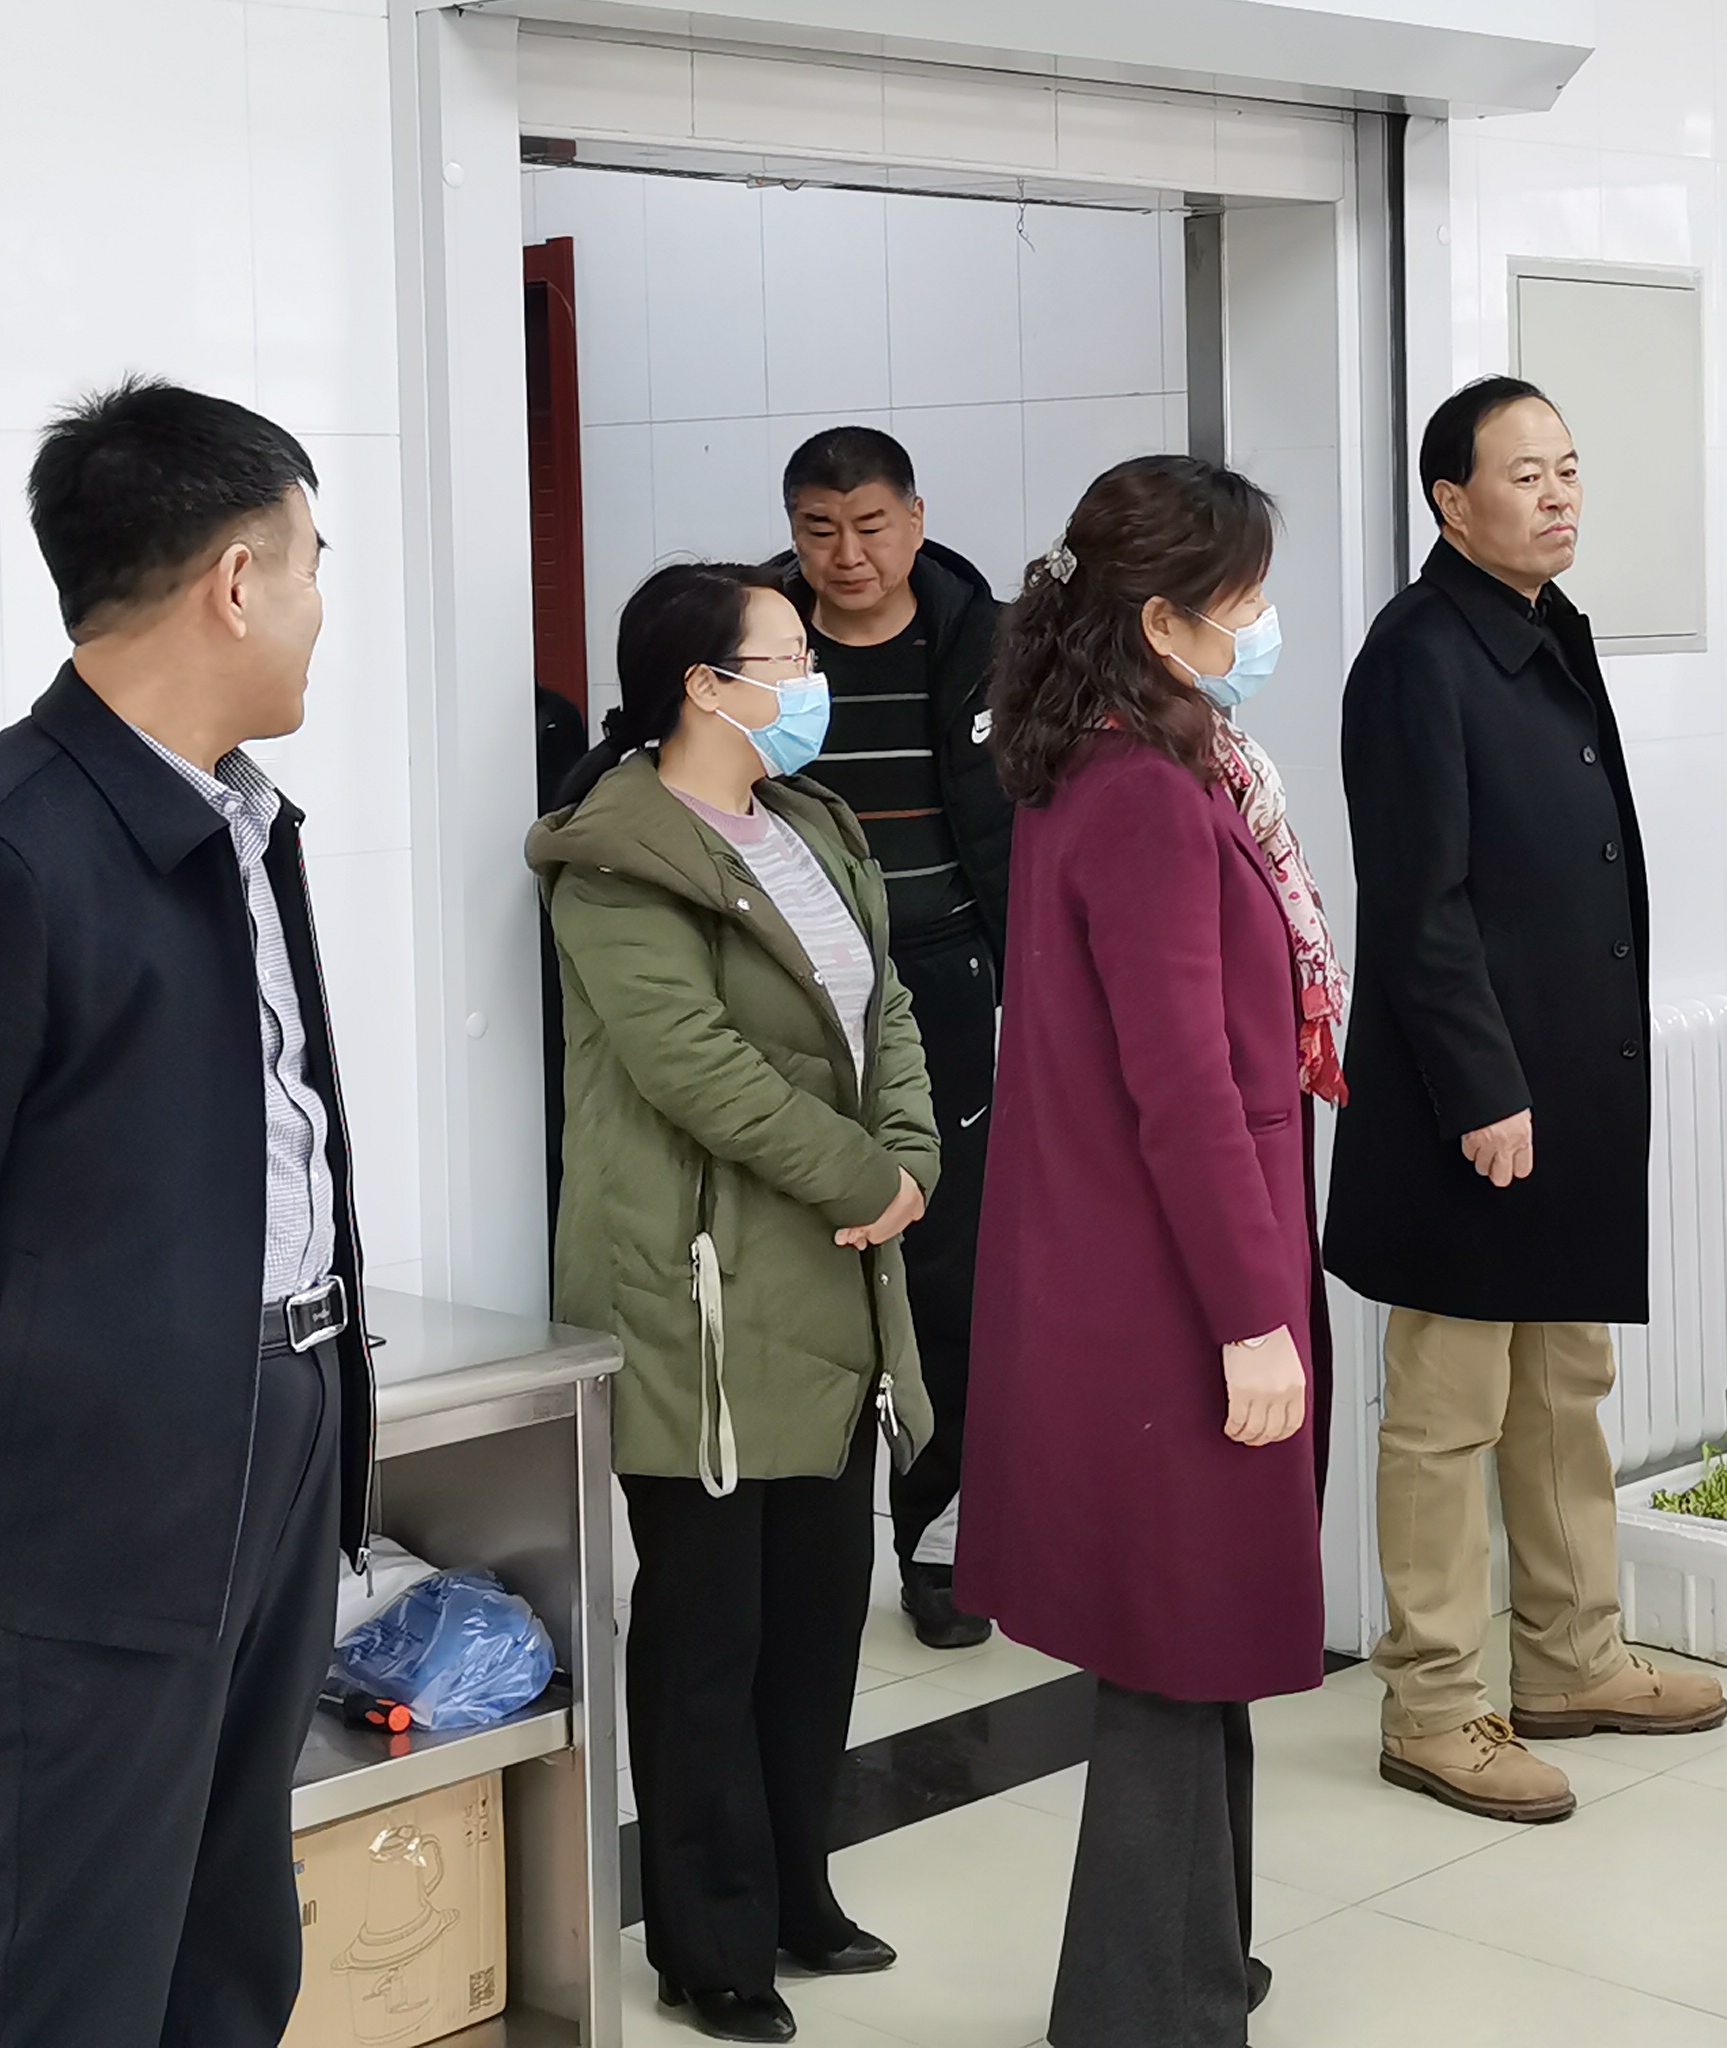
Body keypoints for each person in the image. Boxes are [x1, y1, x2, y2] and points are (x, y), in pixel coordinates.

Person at [0, 380, 370, 2047]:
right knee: (74, 1992)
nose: (319, 608)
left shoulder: (236, 818)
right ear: (235, 581)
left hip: (273, 1428)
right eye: (311, 564)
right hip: (94, 1500)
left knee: (226, 1956)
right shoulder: (0, 854)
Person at [532, 563, 939, 2045]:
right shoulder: (618, 859)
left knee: (820, 1612)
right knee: (709, 1631)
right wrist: (860, 1172)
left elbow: (887, 1005)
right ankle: (709, 1944)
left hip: (829, 1266)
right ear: (705, 685)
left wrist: (910, 1158)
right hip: (697, 1290)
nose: (812, 675)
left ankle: (796, 1891)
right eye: (787, 656)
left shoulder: (812, 826)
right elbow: (692, 1063)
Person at [958, 455, 1333, 2048]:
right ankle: (1137, 2009)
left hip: (1139, 1265)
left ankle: (1202, 1966)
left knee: (1200, 1641)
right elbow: (1186, 1089)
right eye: (1244, 599)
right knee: (1177, 1653)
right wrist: (1253, 1317)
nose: (1264, 622)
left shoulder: (1109, 764)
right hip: (1174, 1289)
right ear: (1166, 621)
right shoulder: (1147, 801)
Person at [1325, 377, 1724, 1828]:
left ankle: (1571, 1659)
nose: (1558, 495)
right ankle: (1435, 1706)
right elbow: (1418, 905)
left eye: (1569, 468)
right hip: (1472, 1098)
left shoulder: (1545, 626)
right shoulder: (1418, 653)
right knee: (1449, 1408)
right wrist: (1484, 1088)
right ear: (1451, 500)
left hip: (1564, 1082)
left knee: (1564, 1386)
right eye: (1524, 474)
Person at [768, 426, 1014, 1649]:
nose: (847, 554)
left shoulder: (987, 641)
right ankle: (800, 1548)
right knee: (796, 1265)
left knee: (944, 1273)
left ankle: (937, 1542)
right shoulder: (761, 645)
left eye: (870, 526)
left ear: (915, 520)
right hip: (793, 994)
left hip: (945, 983)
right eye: (819, 530)